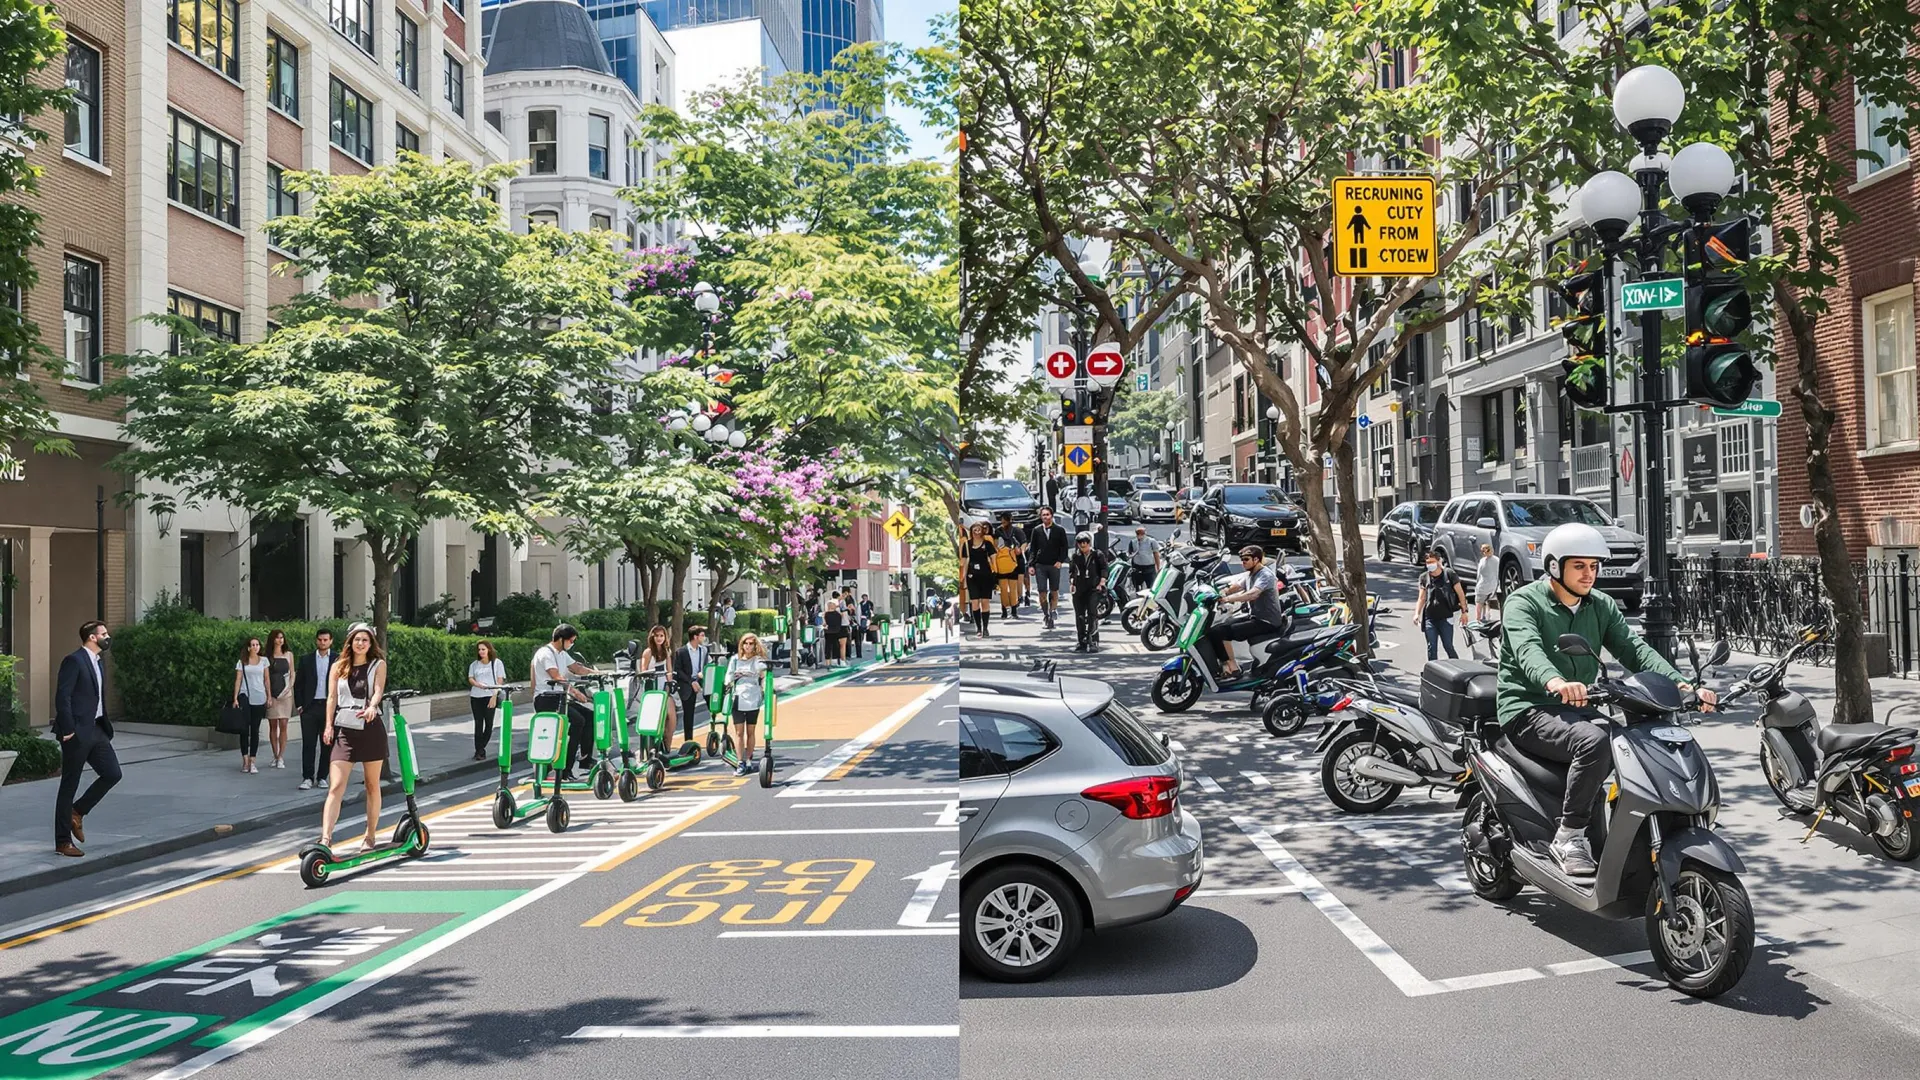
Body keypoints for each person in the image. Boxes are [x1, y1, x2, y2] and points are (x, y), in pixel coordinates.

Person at [1496, 523, 1717, 878]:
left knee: (1637, 745)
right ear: (1555, 567)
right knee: (1595, 743)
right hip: (1529, 707)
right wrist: (1555, 681)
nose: (1589, 574)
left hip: (1576, 707)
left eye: (1594, 566)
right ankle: (1569, 836)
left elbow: (1634, 650)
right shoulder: (1524, 602)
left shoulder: (1600, 605)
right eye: (1579, 566)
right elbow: (1527, 650)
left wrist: (1682, 685)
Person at [52, 621, 120, 858]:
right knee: (69, 785)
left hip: (98, 730)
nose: (107, 637)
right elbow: (63, 696)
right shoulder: (74, 661)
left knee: (113, 774)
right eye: (104, 634)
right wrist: (68, 728)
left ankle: (77, 812)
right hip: (77, 732)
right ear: (92, 637)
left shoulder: (98, 662)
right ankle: (62, 842)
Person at [319, 623, 388, 853]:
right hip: (345, 729)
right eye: (357, 639)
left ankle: (369, 836)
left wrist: (373, 706)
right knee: (336, 786)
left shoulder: (378, 665)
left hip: (370, 728)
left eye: (365, 640)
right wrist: (328, 726)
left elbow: (378, 690)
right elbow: (331, 698)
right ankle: (326, 838)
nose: (360, 643)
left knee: (371, 785)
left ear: (371, 644)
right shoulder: (338, 666)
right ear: (350, 642)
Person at [1208, 546, 1290, 677]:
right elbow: (1237, 586)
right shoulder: (1250, 573)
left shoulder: (1265, 575)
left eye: (1246, 559)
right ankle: (1227, 665)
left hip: (1267, 621)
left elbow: (1252, 594)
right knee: (1216, 629)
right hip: (1255, 617)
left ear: (1256, 559)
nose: (1243, 562)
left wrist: (1227, 599)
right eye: (1242, 559)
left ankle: (1233, 668)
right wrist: (1221, 592)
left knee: (1221, 632)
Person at [532, 623, 597, 781]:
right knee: (578, 721)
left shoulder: (561, 653)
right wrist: (575, 693)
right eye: (571, 640)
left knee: (589, 716)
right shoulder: (545, 653)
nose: (571, 644)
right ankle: (565, 769)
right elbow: (556, 676)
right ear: (561, 639)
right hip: (545, 698)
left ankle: (585, 759)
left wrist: (598, 673)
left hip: (559, 697)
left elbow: (576, 668)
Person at [294, 628, 336, 790]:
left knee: (327, 743)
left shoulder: (337, 659)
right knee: (308, 744)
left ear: (331, 641)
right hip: (310, 707)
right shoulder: (306, 660)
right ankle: (307, 777)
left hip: (329, 707)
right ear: (316, 640)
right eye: (320, 640)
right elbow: (298, 685)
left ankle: (322, 777)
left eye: (325, 640)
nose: (322, 642)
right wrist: (300, 705)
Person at [725, 633, 771, 776]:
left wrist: (764, 688)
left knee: (751, 731)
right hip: (737, 697)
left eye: (751, 643)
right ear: (742, 644)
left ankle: (749, 760)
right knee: (739, 732)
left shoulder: (758, 661)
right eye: (746, 643)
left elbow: (764, 675)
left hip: (754, 698)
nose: (748, 646)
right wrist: (729, 683)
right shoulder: (734, 660)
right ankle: (740, 762)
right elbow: (728, 676)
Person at [1414, 548, 1471, 661]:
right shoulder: (1424, 577)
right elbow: (1422, 597)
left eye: (1432, 562)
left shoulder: (1449, 574)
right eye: (1427, 563)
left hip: (1446, 617)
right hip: (1430, 618)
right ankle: (1432, 672)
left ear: (1439, 561)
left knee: (1448, 646)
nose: (1430, 565)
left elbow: (1460, 594)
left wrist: (1464, 612)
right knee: (1431, 647)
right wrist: (1417, 613)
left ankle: (1457, 666)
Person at [1027, 506, 1071, 631]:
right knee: (1042, 591)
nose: (1045, 517)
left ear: (1052, 515)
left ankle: (1053, 610)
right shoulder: (1036, 530)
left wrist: (1060, 561)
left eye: (1047, 514)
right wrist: (1031, 565)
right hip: (1040, 564)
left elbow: (1064, 547)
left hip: (1054, 565)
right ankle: (1046, 614)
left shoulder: (1059, 530)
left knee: (1054, 590)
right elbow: (1033, 549)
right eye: (1043, 515)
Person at [231, 637, 269, 774]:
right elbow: (238, 679)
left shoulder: (264, 661)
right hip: (245, 696)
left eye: (257, 644)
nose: (255, 647)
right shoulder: (242, 662)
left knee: (255, 729)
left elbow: (266, 679)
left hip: (259, 696)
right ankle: (245, 760)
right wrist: (235, 698)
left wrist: (269, 696)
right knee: (244, 729)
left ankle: (253, 760)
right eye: (252, 645)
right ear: (248, 647)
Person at [1068, 532, 1109, 652]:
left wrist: (1102, 581)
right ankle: (1081, 641)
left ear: (1089, 543)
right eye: (1080, 544)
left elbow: (1104, 568)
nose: (1083, 547)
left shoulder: (1097, 555)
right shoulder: (1075, 556)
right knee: (1079, 616)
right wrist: (1072, 583)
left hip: (1093, 588)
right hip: (1079, 588)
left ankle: (1093, 641)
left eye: (1085, 544)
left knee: (1092, 614)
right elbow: (1072, 571)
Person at [671, 626, 711, 747]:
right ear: (695, 637)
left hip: (701, 682)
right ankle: (689, 742)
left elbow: (706, 665)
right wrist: (691, 682)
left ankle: (715, 734)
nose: (704, 638)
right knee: (688, 714)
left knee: (714, 706)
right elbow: (677, 671)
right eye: (702, 635)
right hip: (687, 685)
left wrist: (701, 677)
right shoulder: (681, 652)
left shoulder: (703, 650)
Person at [467, 640, 506, 761]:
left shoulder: (496, 663)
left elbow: (500, 681)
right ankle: (479, 751)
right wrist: (477, 685)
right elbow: (470, 678)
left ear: (489, 649)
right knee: (478, 724)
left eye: (483, 649)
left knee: (489, 724)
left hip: (490, 696)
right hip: (476, 696)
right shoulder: (474, 664)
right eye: (479, 650)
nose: (481, 652)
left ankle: (481, 748)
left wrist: (494, 695)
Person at [263, 628, 295, 770]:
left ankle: (281, 756)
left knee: (283, 724)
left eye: (282, 637)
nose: (280, 640)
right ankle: (275, 755)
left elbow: (292, 673)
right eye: (277, 637)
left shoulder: (289, 655)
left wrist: (289, 687)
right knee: (273, 725)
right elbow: (265, 677)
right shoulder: (266, 656)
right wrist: (268, 695)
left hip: (286, 693)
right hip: (272, 693)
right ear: (272, 640)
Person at [963, 521, 997, 638]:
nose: (977, 533)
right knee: (975, 603)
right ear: (971, 532)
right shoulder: (967, 544)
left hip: (986, 576)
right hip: (972, 576)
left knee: (985, 602)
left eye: (979, 530)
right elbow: (965, 561)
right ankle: (978, 627)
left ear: (983, 531)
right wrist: (963, 577)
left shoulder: (988, 544)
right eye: (974, 530)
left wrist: (995, 574)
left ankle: (986, 627)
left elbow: (994, 559)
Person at [993, 512, 1027, 620]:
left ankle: (1014, 610)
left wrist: (1020, 550)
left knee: (1013, 588)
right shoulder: (998, 531)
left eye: (1006, 520)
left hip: (1014, 562)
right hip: (1002, 562)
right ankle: (1004, 610)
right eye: (1002, 520)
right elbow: (995, 545)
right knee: (1003, 588)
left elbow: (1024, 542)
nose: (1004, 523)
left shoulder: (1017, 531)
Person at [1124, 526, 1162, 597]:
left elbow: (1156, 554)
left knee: (1151, 586)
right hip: (1137, 567)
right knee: (1137, 587)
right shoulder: (1133, 542)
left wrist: (1158, 566)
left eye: (1141, 534)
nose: (1140, 536)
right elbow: (1129, 553)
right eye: (1138, 534)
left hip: (1149, 567)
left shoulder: (1151, 541)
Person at [1474, 542, 1501, 621]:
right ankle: (1485, 617)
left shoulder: (1483, 561)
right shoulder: (1497, 560)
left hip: (1482, 587)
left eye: (1486, 550)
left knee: (1479, 603)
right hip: (1492, 587)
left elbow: (1479, 575)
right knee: (1487, 603)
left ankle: (1479, 619)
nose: (1485, 552)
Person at [824, 599, 847, 666]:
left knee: (828, 647)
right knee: (835, 646)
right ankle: (835, 661)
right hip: (836, 631)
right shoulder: (838, 614)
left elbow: (825, 623)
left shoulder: (826, 614)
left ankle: (828, 662)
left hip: (828, 632)